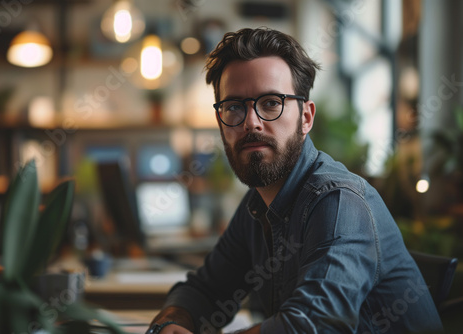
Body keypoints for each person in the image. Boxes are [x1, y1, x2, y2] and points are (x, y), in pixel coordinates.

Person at [145, 28, 443, 334]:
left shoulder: (340, 201)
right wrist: (172, 322)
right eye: (233, 107)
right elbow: (204, 291)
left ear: (306, 118)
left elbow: (313, 325)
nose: (251, 122)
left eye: (271, 102)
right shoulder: (257, 205)